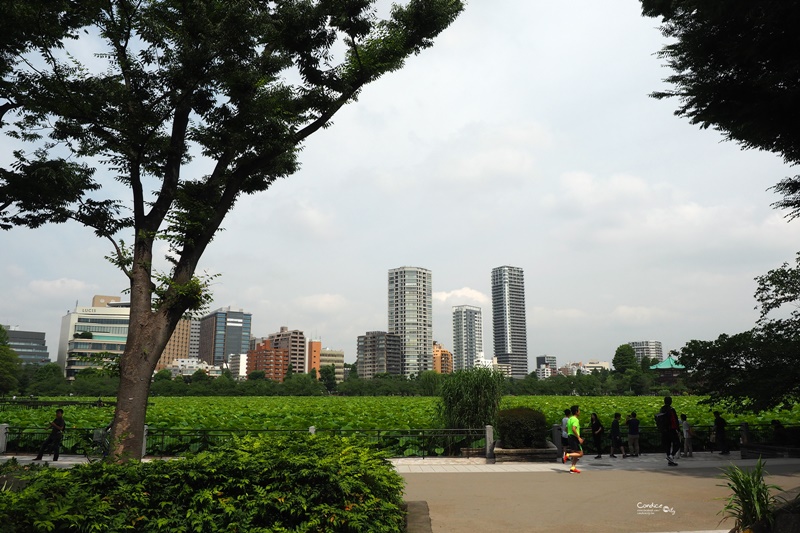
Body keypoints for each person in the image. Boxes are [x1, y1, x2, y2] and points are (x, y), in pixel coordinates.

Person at [658, 396, 681, 466]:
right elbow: (675, 420)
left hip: (664, 431)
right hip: (671, 429)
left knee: (668, 445)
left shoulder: (662, 409)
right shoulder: (671, 409)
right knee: (677, 444)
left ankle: (670, 461)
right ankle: (671, 456)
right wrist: (678, 429)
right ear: (670, 401)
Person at [562, 405, 584, 473]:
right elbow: (574, 429)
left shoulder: (570, 419)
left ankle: (573, 467)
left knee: (575, 453)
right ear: (576, 412)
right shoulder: (575, 420)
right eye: (579, 410)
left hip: (570, 437)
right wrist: (578, 437)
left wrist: (570, 434)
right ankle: (567, 455)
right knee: (580, 454)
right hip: (574, 438)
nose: (579, 412)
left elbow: (566, 429)